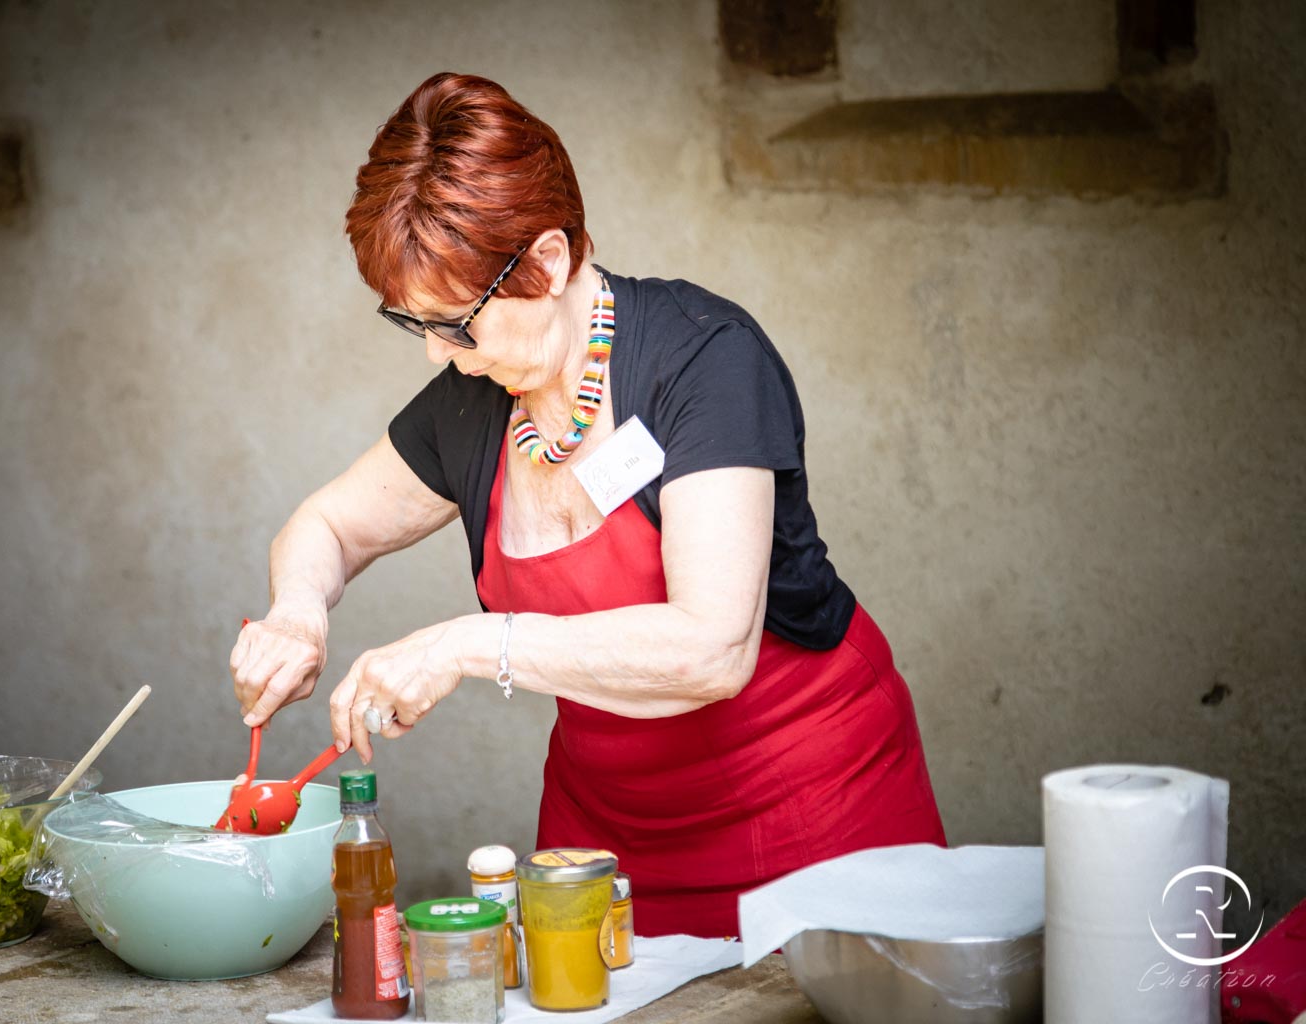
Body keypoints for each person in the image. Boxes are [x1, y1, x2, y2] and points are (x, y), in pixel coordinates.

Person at [229, 72, 946, 938]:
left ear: (549, 261)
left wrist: (466, 643)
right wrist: (298, 613)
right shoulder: (475, 393)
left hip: (807, 807)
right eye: (411, 323)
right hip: (605, 840)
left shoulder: (704, 361)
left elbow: (711, 649)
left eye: (456, 324)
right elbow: (328, 525)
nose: (435, 356)